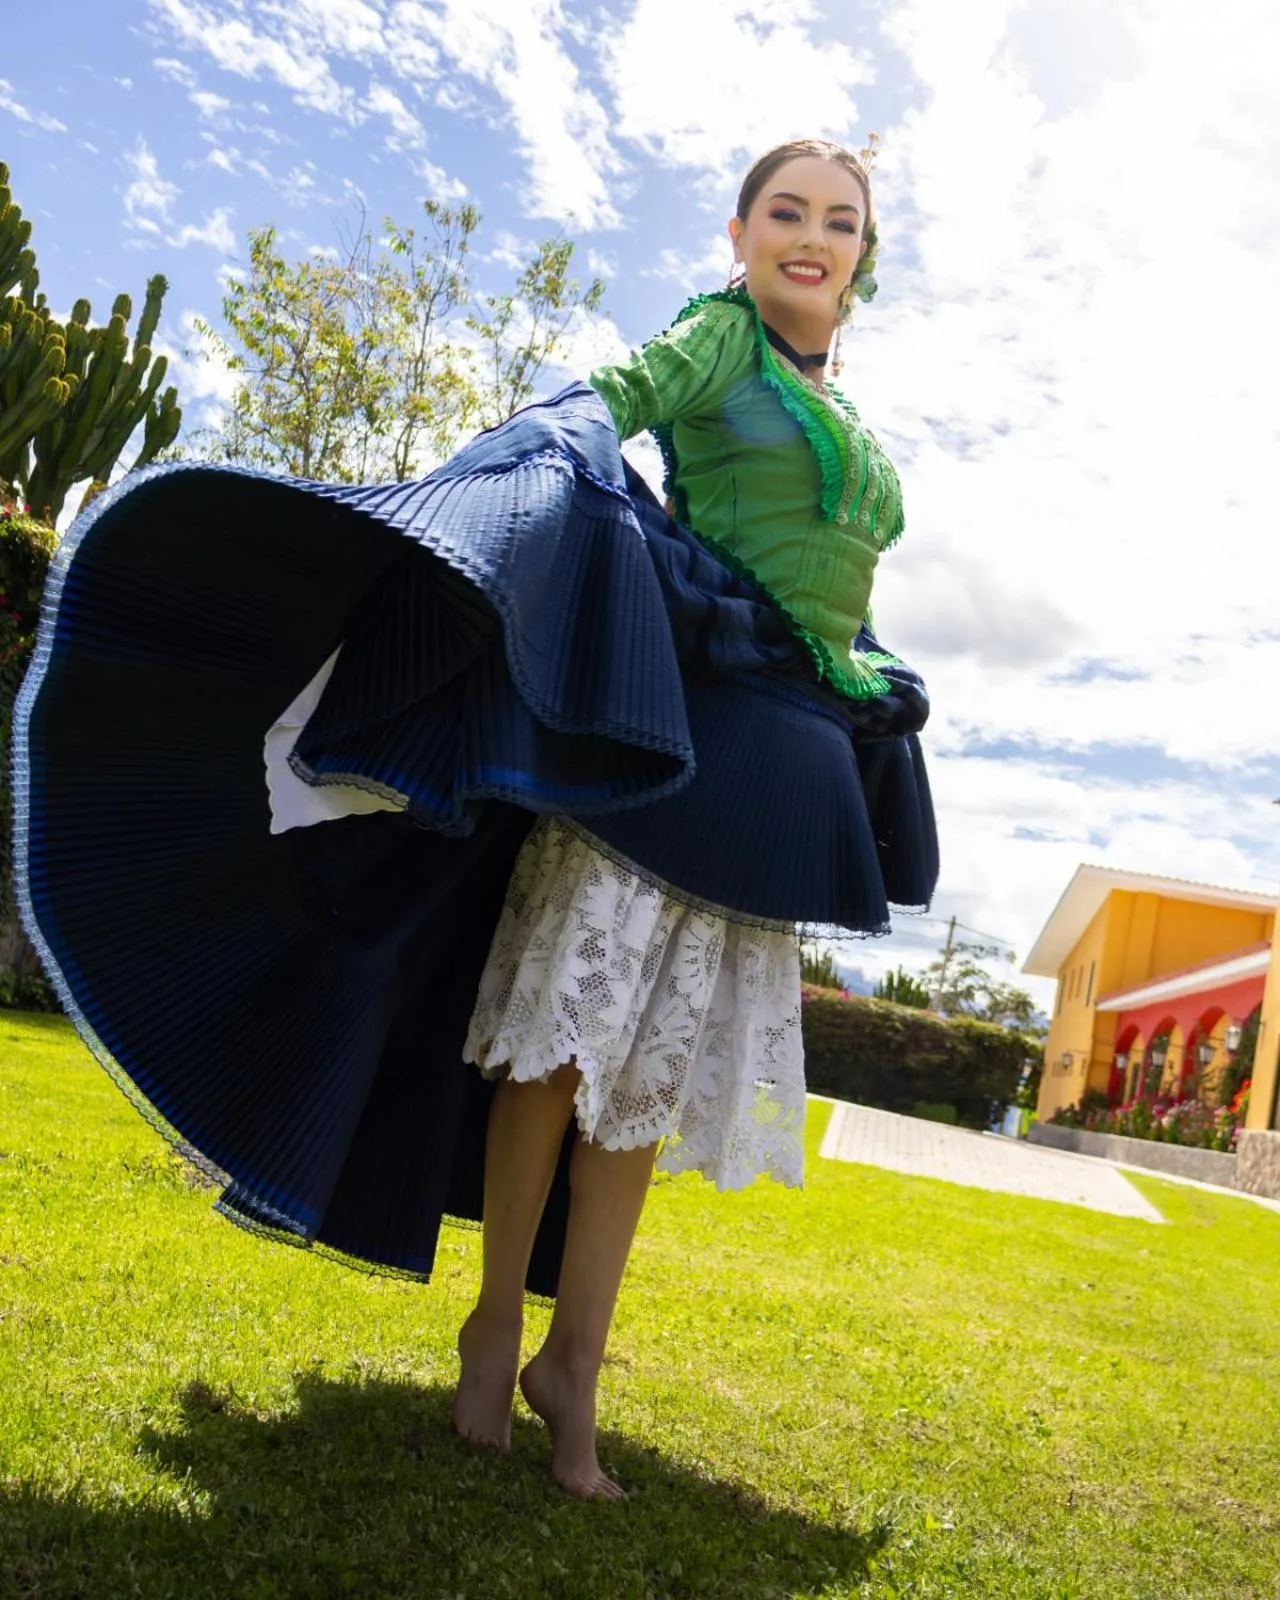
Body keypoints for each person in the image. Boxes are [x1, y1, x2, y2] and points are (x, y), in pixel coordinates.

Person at [11, 139, 937, 1500]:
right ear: (738, 232)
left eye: (839, 221)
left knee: (644, 1078)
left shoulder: (850, 418)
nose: (812, 236)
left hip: (779, 765)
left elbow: (826, 578)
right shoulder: (716, 338)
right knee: (560, 1052)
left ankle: (578, 1367)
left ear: (865, 251)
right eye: (785, 212)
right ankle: (495, 1325)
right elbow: (606, 398)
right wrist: (548, 448)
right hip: (668, 738)